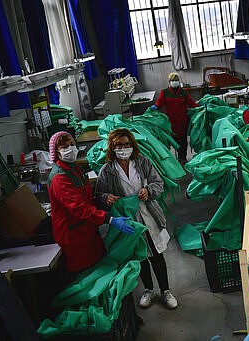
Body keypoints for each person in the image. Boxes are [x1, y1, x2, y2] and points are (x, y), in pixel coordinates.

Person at [95, 129, 178, 310]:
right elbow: (99, 195)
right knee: (139, 255)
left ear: (132, 145)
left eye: (126, 144)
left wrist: (148, 191)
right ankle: (148, 290)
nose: (123, 148)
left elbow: (158, 183)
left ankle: (166, 290)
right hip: (127, 220)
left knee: (156, 253)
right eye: (118, 145)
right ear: (112, 148)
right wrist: (106, 198)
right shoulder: (107, 171)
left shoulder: (142, 163)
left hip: (148, 214)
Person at [47, 131, 134, 274]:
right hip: (74, 235)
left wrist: (105, 198)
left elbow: (88, 197)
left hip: (88, 229)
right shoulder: (59, 178)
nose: (70, 149)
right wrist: (109, 219)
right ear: (56, 151)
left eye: (71, 145)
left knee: (98, 266)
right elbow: (79, 208)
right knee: (86, 275)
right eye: (64, 147)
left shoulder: (75, 169)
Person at [154, 72, 199, 164]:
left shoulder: (183, 92)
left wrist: (200, 106)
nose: (175, 82)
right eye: (173, 80)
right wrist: (154, 107)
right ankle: (179, 155)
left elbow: (191, 103)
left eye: (176, 80)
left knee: (183, 139)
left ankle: (183, 157)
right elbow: (159, 102)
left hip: (183, 120)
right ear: (169, 82)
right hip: (171, 121)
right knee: (174, 140)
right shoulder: (165, 92)